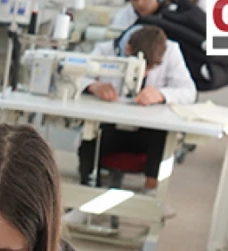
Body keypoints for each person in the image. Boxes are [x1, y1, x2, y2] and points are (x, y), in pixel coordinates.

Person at [76, 25, 196, 197]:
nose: (144, 73)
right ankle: (86, 192)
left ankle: (151, 193)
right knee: (91, 136)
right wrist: (93, 86)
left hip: (146, 134)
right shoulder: (106, 50)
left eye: (150, 69)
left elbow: (189, 91)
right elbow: (77, 76)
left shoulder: (171, 51)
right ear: (127, 49)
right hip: (110, 128)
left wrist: (161, 94)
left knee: (160, 134)